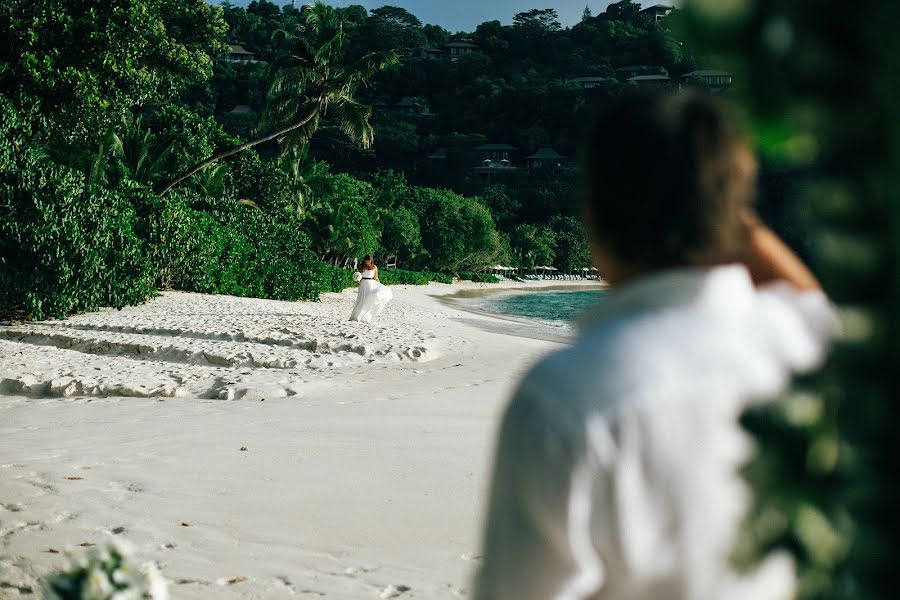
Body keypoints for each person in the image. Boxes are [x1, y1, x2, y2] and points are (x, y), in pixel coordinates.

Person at [472, 91, 838, 600]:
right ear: (735, 213)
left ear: (593, 214)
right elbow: (810, 302)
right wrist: (726, 214)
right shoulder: (804, 346)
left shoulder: (565, 394)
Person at [349, 255, 393, 323]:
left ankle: (365, 317)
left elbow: (376, 277)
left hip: (370, 284)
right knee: (361, 299)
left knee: (368, 299)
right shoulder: (361, 267)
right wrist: (358, 281)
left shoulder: (374, 267)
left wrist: (380, 285)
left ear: (371, 260)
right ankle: (356, 317)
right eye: (366, 260)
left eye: (368, 260)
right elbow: (358, 276)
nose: (367, 261)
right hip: (363, 284)